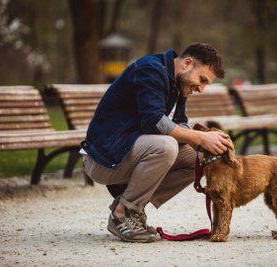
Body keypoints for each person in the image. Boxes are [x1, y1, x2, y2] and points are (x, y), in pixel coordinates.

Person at [81, 42, 233, 243]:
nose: (202, 88)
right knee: (166, 147)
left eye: (206, 84)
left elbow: (179, 123)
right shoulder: (150, 70)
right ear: (187, 63)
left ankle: (131, 205)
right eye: (202, 79)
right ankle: (122, 214)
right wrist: (200, 137)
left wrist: (205, 141)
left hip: (130, 153)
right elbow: (153, 121)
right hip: (105, 159)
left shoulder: (178, 84)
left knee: (199, 157)